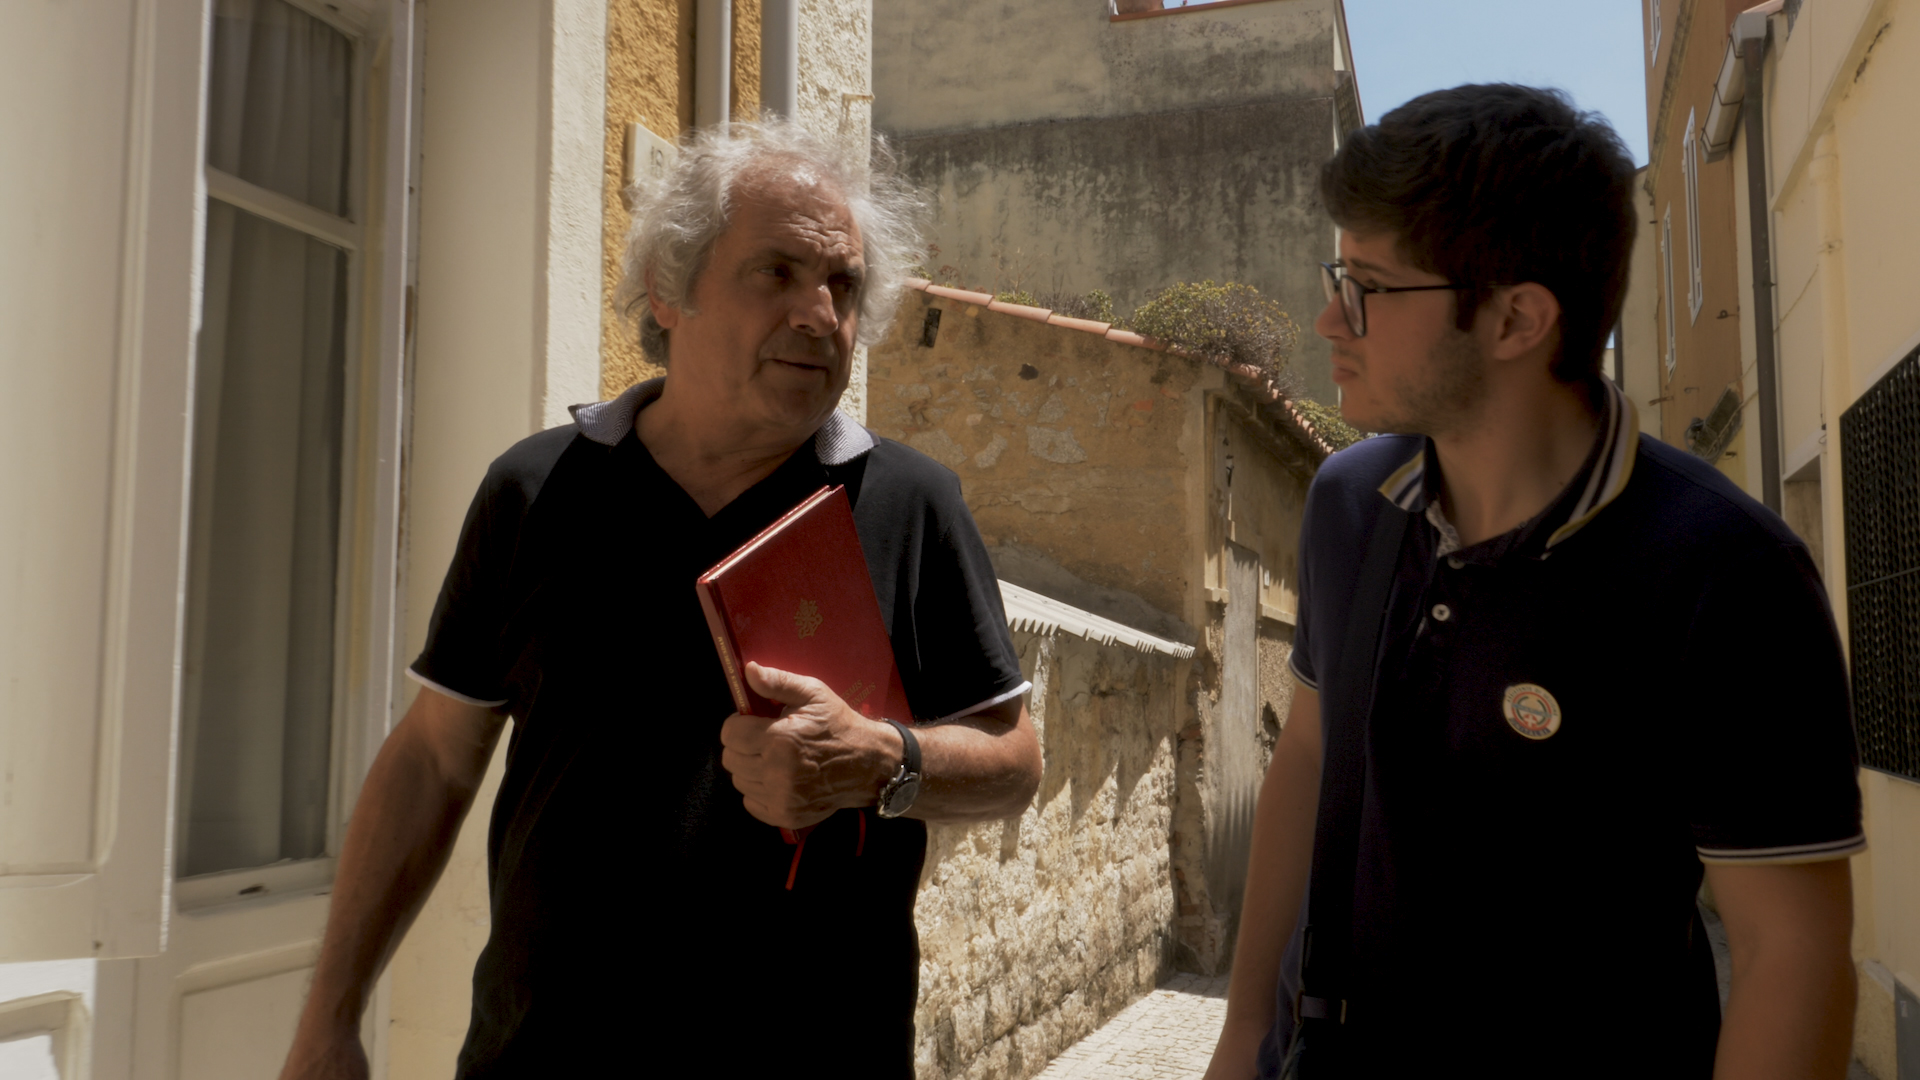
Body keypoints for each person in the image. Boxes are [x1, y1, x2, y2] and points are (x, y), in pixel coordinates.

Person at [279, 121, 1042, 1079]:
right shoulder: (535, 490)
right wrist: (330, 1017)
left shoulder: (907, 503)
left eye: (843, 285)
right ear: (669, 290)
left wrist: (881, 761)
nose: (819, 314)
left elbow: (1014, 762)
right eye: (777, 273)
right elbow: (435, 757)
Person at [1205, 85, 1862, 1079]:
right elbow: (1309, 756)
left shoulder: (1725, 574)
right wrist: (1242, 1035)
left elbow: (1791, 953)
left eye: (1368, 286)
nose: (1330, 318)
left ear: (1516, 317)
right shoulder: (1349, 504)